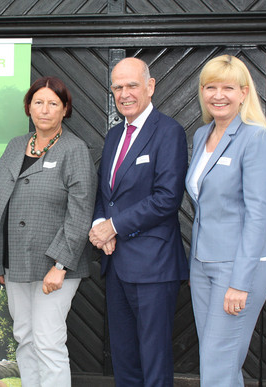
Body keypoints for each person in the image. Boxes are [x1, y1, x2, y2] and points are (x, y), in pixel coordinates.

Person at [0, 76, 97, 387]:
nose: (45, 109)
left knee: (48, 340)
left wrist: (60, 264)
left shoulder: (74, 150)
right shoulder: (13, 146)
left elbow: (80, 211)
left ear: (65, 110)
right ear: (28, 107)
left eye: (53, 103)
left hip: (55, 267)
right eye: (39, 102)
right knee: (24, 337)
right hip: (15, 265)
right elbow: (0, 205)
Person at [89, 57, 189, 386]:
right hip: (116, 263)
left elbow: (166, 198)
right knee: (124, 356)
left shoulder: (168, 132)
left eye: (132, 85)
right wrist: (102, 223)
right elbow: (107, 193)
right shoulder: (115, 135)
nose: (124, 93)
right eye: (117, 87)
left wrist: (114, 226)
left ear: (150, 86)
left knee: (153, 357)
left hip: (154, 267)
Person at [186, 55, 266, 386]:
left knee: (217, 364)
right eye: (210, 87)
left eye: (228, 87)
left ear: (243, 93)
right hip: (202, 264)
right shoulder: (202, 136)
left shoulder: (257, 138)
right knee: (219, 363)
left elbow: (258, 215)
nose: (218, 95)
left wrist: (240, 282)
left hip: (239, 268)